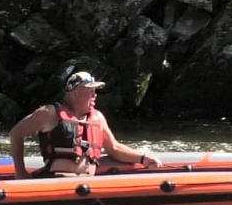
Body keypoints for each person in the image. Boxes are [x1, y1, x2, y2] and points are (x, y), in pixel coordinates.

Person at [8, 69, 162, 179]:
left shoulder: (98, 118)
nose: (95, 95)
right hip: (56, 181)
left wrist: (143, 158)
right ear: (75, 93)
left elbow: (114, 148)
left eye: (95, 91)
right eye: (90, 91)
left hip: (88, 182)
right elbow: (16, 134)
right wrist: (20, 173)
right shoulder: (49, 113)